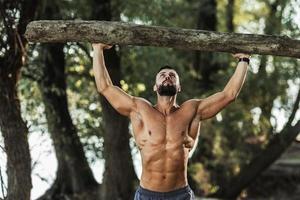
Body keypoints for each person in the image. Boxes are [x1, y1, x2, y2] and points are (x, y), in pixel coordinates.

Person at [92, 43, 250, 200]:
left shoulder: (192, 110)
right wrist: (97, 49)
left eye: (172, 75)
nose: (167, 76)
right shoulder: (139, 109)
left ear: (179, 87)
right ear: (155, 87)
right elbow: (104, 87)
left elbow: (229, 95)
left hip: (180, 195)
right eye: (162, 75)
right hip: (147, 195)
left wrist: (244, 59)